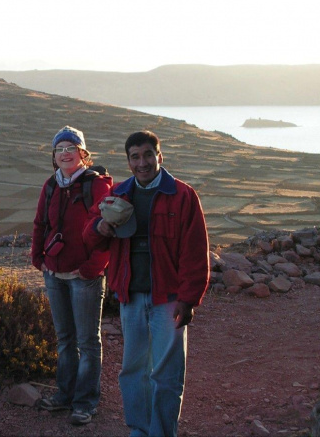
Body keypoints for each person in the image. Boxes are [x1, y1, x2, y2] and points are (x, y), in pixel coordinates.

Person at [83, 130, 210, 437]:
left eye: (148, 155)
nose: (142, 163)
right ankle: (139, 429)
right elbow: (90, 238)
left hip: (168, 299)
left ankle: (162, 432)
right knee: (133, 370)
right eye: (135, 157)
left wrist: (189, 299)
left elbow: (194, 251)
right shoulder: (118, 194)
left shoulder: (182, 195)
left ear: (159, 156)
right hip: (130, 297)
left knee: (167, 373)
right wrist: (101, 226)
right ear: (128, 161)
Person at [31, 126, 113, 425]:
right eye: (59, 149)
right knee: (65, 338)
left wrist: (92, 268)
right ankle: (64, 395)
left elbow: (109, 231)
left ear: (83, 153)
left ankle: (85, 402)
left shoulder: (97, 186)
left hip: (84, 276)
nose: (65, 153)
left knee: (88, 341)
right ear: (54, 156)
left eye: (70, 147)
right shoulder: (51, 185)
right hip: (54, 274)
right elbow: (40, 224)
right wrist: (38, 259)